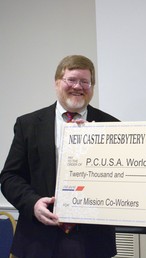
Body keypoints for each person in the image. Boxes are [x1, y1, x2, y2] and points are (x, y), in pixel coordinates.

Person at [0, 55, 119, 258]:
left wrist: (95, 145)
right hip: (38, 239)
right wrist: (33, 203)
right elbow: (10, 177)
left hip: (93, 242)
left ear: (92, 86)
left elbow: (121, 179)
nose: (78, 86)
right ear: (57, 83)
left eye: (85, 81)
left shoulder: (111, 126)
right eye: (71, 79)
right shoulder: (28, 125)